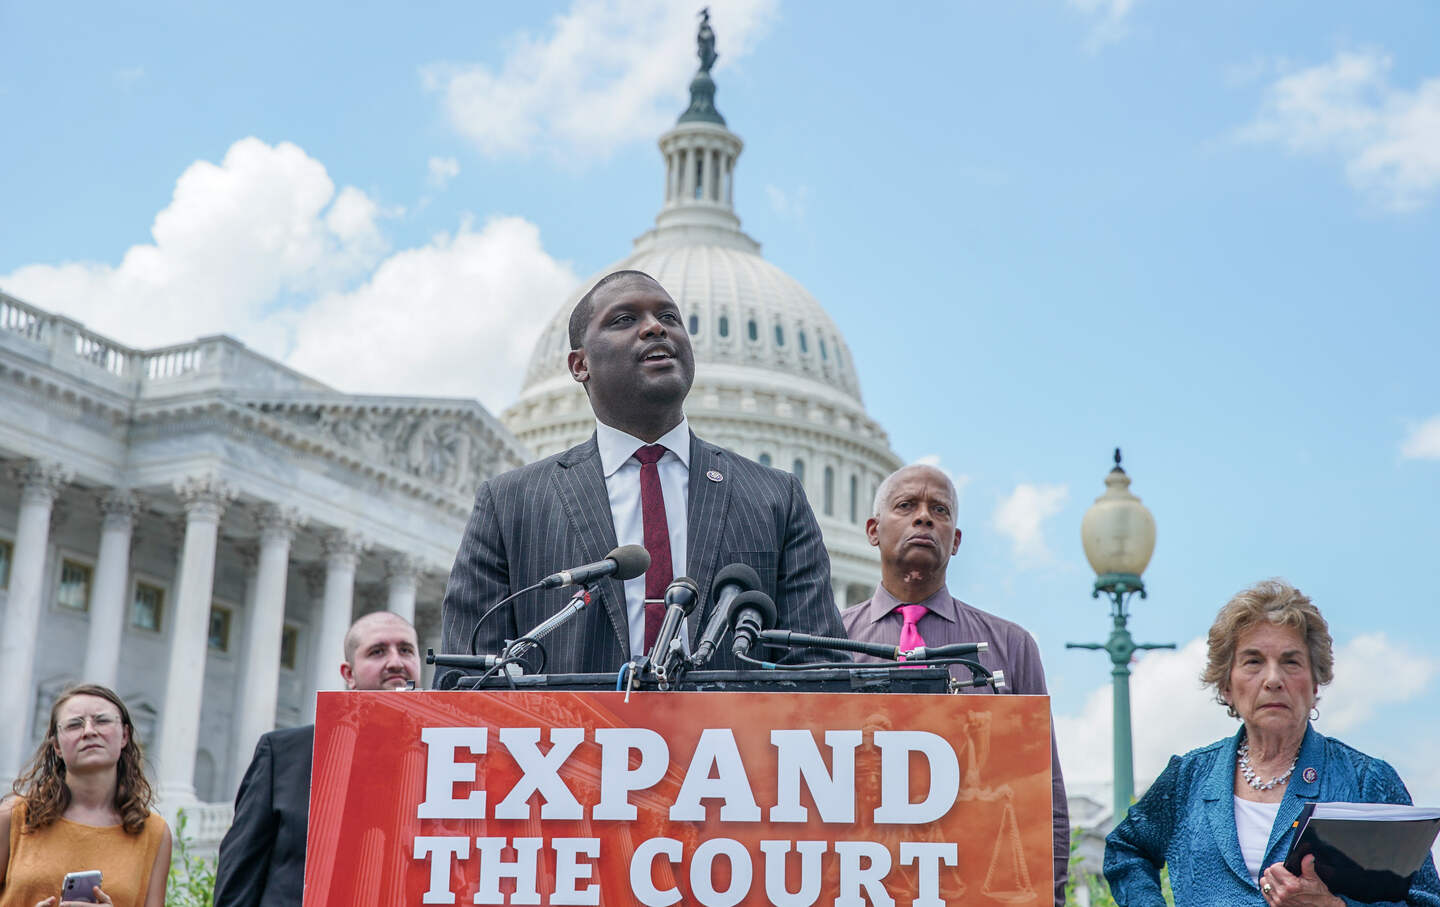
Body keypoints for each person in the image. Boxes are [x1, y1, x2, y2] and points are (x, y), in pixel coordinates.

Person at [441, 269, 843, 674]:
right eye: (624, 320)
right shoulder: (511, 503)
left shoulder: (774, 497)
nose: (655, 328)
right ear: (580, 364)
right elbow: (466, 678)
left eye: (669, 318)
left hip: (730, 737)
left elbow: (821, 671)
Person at [1104, 579, 1440, 906]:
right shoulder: (1188, 777)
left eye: (1291, 662)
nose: (1274, 679)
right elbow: (1125, 851)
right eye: (1253, 662)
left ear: (1315, 683)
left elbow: (1426, 901)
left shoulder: (1368, 781)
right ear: (1226, 686)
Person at [842, 463, 1069, 907]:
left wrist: (1051, 898)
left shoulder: (1009, 647)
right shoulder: (828, 644)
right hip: (857, 884)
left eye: (939, 510)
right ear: (873, 530)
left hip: (973, 885)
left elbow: (1045, 796)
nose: (924, 517)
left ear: (957, 541)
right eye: (906, 506)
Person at [213, 611, 420, 907]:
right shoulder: (284, 754)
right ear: (349, 674)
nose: (396, 662)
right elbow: (239, 878)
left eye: (406, 650)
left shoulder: (442, 761)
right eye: (377, 651)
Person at [0, 684, 171, 907]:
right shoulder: (13, 816)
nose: (89, 731)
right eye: (74, 724)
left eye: (102, 721)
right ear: (57, 746)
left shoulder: (154, 833)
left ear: (125, 735)